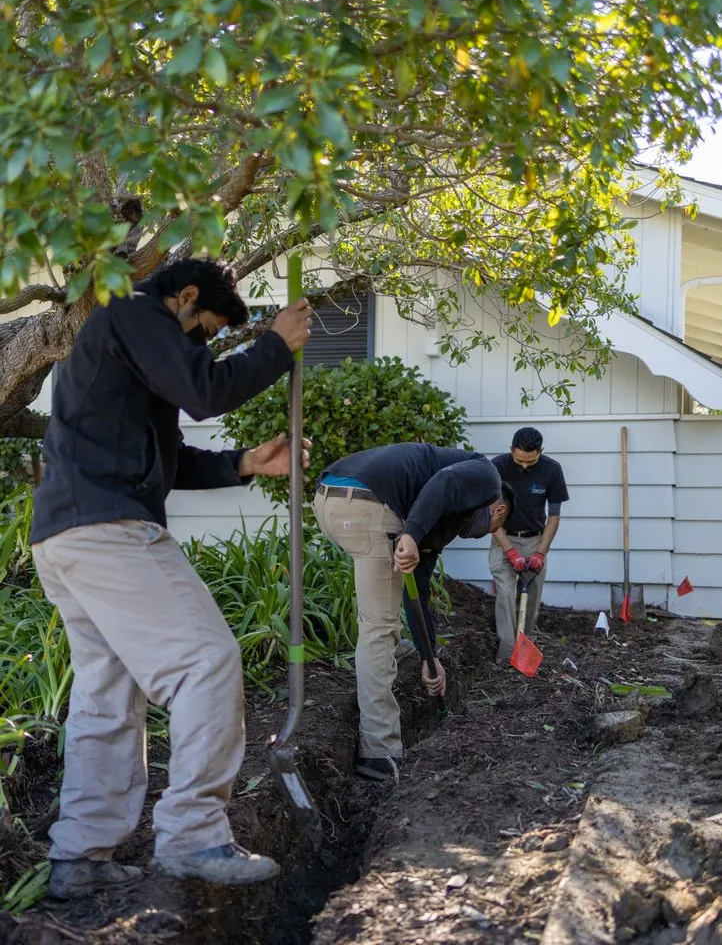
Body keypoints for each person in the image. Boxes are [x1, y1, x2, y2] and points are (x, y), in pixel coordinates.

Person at [30, 258, 313, 898]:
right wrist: (275, 345)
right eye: (204, 330)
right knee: (205, 660)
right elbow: (206, 391)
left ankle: (80, 857)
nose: (201, 344)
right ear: (183, 298)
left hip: (68, 534)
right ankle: (191, 835)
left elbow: (166, 456)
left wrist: (244, 462)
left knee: (107, 694)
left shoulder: (123, 350)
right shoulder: (133, 311)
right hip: (107, 531)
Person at [312, 443, 515, 781]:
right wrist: (411, 533)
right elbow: (446, 483)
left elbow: (416, 591)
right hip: (370, 505)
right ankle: (379, 752)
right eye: (494, 525)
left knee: (381, 615)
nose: (485, 531)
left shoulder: (434, 521)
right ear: (498, 508)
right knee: (379, 627)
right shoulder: (487, 474)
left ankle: (399, 654)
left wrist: (428, 658)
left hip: (328, 499)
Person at [489, 427, 569, 663]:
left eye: (530, 461)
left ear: (540, 452)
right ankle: (506, 654)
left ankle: (525, 648)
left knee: (532, 594)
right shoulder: (497, 467)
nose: (524, 466)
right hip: (501, 535)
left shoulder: (552, 470)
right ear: (511, 450)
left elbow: (554, 517)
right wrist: (510, 551)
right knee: (504, 591)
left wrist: (541, 553)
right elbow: (491, 516)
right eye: (519, 460)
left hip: (535, 538)